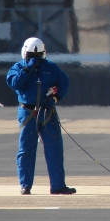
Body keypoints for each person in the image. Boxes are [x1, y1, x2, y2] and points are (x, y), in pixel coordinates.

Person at [6, 37, 76, 196]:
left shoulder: (51, 68)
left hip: (47, 111)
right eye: (31, 55)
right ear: (25, 53)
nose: (34, 59)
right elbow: (14, 83)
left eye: (37, 56)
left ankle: (58, 185)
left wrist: (56, 98)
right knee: (26, 149)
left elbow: (64, 83)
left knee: (54, 148)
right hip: (27, 112)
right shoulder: (18, 68)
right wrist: (27, 70)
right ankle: (25, 185)